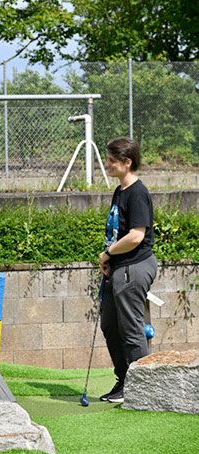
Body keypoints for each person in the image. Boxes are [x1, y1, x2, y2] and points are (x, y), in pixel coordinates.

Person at [98, 137, 157, 403]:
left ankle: (144, 390)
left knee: (131, 329)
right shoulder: (120, 190)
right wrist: (110, 259)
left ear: (127, 162)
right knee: (110, 325)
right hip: (119, 266)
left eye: (112, 160)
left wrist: (108, 253)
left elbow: (136, 235)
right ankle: (124, 382)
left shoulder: (137, 193)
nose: (107, 164)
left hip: (135, 267)